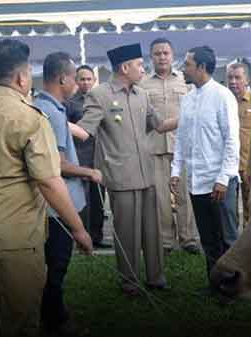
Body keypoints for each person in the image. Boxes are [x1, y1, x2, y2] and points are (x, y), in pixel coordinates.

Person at [0, 39, 92, 337]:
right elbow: (48, 179)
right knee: (20, 323)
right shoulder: (28, 116)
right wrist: (78, 228)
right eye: (29, 71)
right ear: (20, 77)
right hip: (10, 234)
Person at [71, 43, 178, 296]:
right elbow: (85, 130)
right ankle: (129, 281)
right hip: (120, 175)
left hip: (146, 173)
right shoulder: (100, 95)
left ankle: (156, 277)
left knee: (151, 231)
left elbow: (159, 126)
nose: (144, 68)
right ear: (124, 67)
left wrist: (191, 115)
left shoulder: (142, 94)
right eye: (140, 64)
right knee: (127, 233)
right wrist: (52, 120)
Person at [33, 52, 101, 336]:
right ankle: (56, 322)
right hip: (57, 206)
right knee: (56, 267)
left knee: (49, 266)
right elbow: (56, 166)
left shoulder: (40, 105)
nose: (76, 82)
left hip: (44, 206)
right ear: (63, 78)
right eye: (74, 76)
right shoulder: (53, 113)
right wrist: (89, 172)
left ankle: (50, 315)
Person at [170, 46, 240, 294]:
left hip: (220, 181)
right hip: (196, 181)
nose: (182, 68)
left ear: (201, 67)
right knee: (208, 238)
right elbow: (182, 138)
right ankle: (215, 284)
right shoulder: (188, 98)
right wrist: (175, 170)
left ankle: (233, 287)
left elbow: (232, 140)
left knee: (228, 238)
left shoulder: (223, 96)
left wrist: (223, 178)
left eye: (187, 64)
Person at [141, 37, 199, 255]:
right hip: (154, 148)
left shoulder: (186, 81)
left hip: (182, 147)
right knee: (160, 198)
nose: (162, 57)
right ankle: (166, 240)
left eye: (165, 53)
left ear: (172, 56)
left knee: (185, 194)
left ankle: (189, 238)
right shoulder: (143, 84)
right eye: (157, 53)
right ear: (151, 57)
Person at [65, 64, 111, 249]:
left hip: (99, 154)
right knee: (83, 200)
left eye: (89, 79)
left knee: (98, 198)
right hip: (80, 157)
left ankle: (97, 237)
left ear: (94, 81)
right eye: (82, 79)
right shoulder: (70, 103)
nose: (85, 82)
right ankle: (83, 238)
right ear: (76, 81)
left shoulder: (100, 100)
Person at [227, 63, 251, 226]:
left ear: (247, 79)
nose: (233, 81)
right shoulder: (223, 101)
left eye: (237, 77)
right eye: (230, 78)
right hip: (228, 164)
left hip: (249, 164)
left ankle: (250, 239)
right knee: (228, 207)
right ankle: (233, 241)